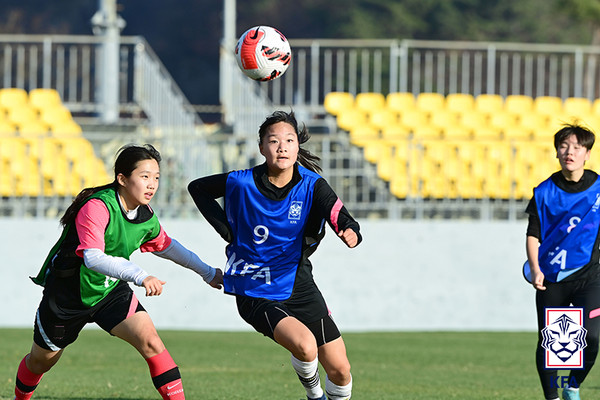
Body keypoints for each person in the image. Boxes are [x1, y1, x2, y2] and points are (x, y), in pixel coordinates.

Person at [13, 144, 223, 400]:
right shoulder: (97, 207)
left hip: (110, 291)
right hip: (68, 295)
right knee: (40, 362)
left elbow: (167, 246)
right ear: (122, 178)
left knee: (151, 342)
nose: (152, 185)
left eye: (156, 177)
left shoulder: (145, 216)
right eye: (144, 176)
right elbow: (93, 258)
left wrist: (208, 272)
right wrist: (140, 276)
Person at [188, 110, 361, 400]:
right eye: (274, 140)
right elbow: (198, 188)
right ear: (261, 148)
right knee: (305, 345)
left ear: (297, 147)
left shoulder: (312, 185)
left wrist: (348, 230)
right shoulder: (241, 182)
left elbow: (339, 214)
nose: (282, 146)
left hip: (297, 282)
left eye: (289, 140)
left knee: (341, 370)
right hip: (254, 286)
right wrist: (226, 229)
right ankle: (314, 395)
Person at [524, 123, 600, 400]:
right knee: (553, 342)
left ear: (587, 154)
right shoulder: (544, 192)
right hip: (552, 278)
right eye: (564, 146)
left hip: (589, 276)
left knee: (590, 338)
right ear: (557, 152)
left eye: (577, 147)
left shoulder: (599, 189)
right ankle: (553, 398)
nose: (570, 152)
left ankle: (573, 384)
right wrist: (535, 269)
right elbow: (533, 235)